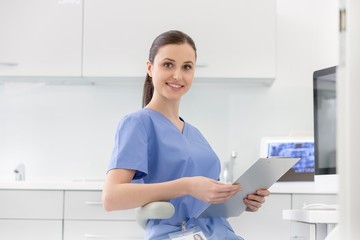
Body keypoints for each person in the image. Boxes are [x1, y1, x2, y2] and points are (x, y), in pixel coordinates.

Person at [102, 30, 270, 240]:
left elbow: (204, 203)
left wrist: (241, 202)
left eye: (187, 67)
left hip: (220, 234)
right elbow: (112, 198)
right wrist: (187, 186)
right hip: (177, 234)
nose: (178, 76)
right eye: (168, 64)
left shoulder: (194, 133)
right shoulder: (138, 123)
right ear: (150, 68)